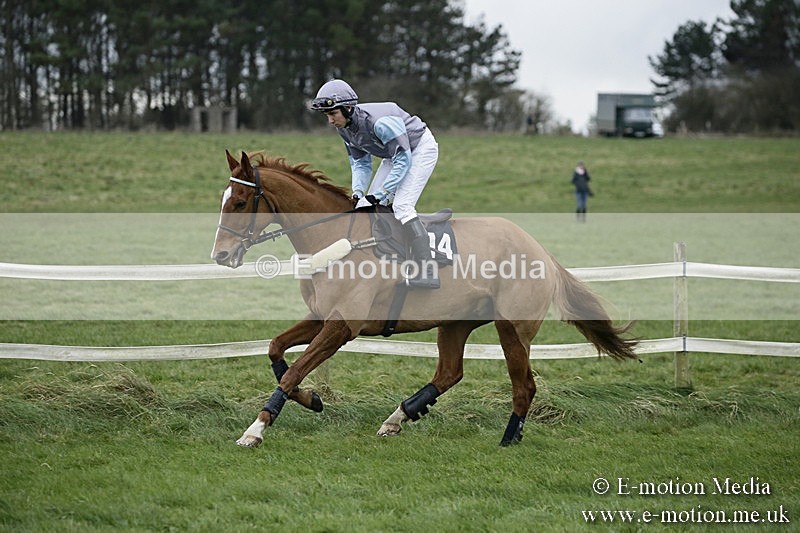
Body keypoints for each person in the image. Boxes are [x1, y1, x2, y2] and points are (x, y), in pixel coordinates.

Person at [308, 78, 440, 288]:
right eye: (327, 115)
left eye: (333, 114)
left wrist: (378, 194)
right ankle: (390, 260)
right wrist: (359, 192)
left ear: (348, 108)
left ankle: (428, 271)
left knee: (402, 206)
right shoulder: (344, 128)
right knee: (370, 207)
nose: (330, 121)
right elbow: (360, 164)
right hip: (393, 156)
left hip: (419, 149)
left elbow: (404, 160)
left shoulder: (379, 122)